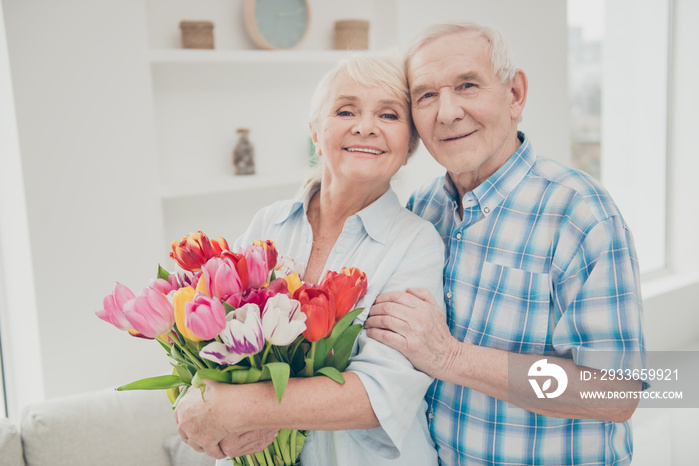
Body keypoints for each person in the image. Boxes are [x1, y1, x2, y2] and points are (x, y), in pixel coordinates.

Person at [365, 22, 645, 465]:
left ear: (514, 94)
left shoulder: (581, 212)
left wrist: (451, 357)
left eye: (467, 85)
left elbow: (616, 391)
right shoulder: (421, 210)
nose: (448, 112)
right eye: (426, 95)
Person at [174, 54, 445, 465]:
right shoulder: (269, 223)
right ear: (316, 134)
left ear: (408, 146)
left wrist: (233, 408)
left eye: (388, 114)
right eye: (345, 110)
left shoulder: (416, 243)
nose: (366, 126)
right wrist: (200, 400)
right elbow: (216, 337)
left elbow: (378, 395)